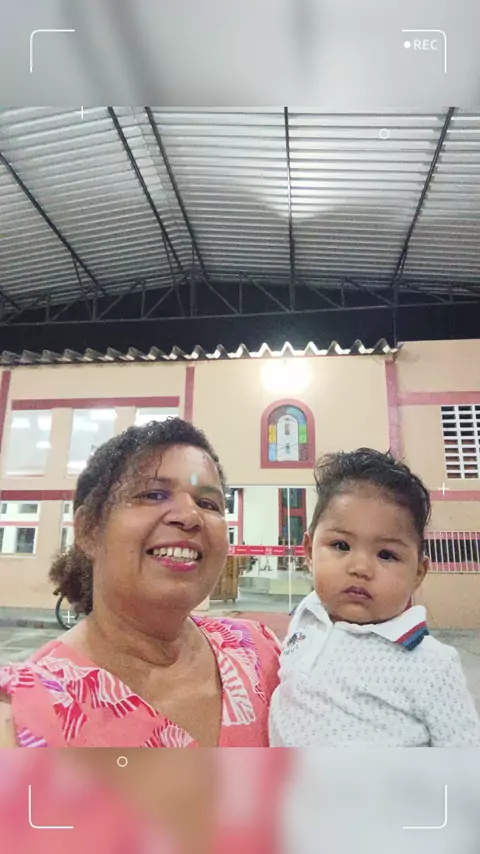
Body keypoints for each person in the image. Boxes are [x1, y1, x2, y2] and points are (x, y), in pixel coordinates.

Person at [0, 418, 280, 747]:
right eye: (153, 494)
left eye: (208, 504)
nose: (190, 516)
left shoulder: (260, 654)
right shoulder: (25, 717)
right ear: (89, 530)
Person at [269, 448, 480, 747]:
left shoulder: (432, 664)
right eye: (341, 545)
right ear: (308, 551)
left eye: (386, 554)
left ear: (418, 572)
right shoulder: (308, 614)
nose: (360, 568)